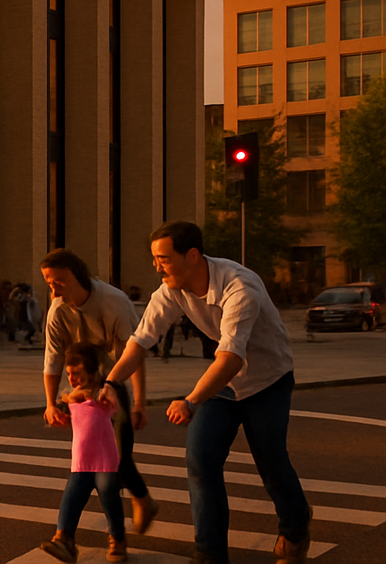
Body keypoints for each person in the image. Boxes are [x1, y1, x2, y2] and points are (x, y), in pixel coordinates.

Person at [104, 221, 310, 564]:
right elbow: (141, 340)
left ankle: (296, 527)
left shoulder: (240, 286)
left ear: (192, 256)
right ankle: (210, 553)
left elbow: (231, 357)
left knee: (271, 462)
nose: (157, 267)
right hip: (223, 385)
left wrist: (190, 400)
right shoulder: (171, 289)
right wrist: (110, 383)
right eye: (155, 259)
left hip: (268, 380)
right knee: (200, 459)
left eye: (163, 259)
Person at [40, 248, 157, 535]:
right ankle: (68, 534)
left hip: (114, 381)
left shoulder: (114, 303)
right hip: (82, 384)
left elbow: (134, 355)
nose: (54, 290)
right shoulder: (57, 310)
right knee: (89, 461)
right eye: (49, 282)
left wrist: (139, 404)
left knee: (119, 455)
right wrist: (50, 404)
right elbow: (52, 359)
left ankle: (139, 503)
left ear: (78, 277)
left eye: (59, 282)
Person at [39, 341, 128, 563]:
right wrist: (56, 414)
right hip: (81, 460)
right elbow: (64, 405)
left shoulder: (104, 394)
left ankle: (117, 538)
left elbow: (117, 409)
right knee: (71, 497)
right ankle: (64, 539)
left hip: (106, 460)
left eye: (77, 374)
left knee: (109, 497)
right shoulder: (70, 396)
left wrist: (99, 396)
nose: (72, 379)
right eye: (69, 374)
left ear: (94, 372)